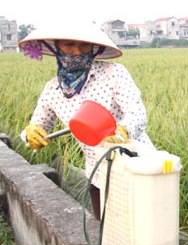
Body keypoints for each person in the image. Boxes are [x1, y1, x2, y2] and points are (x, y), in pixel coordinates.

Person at [18, 21, 155, 219]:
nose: (76, 52)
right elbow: (39, 124)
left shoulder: (113, 74)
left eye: (84, 46)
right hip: (99, 175)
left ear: (93, 48)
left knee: (144, 232)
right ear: (56, 47)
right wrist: (30, 133)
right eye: (68, 45)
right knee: (108, 237)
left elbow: (137, 113)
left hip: (138, 167)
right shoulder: (52, 90)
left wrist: (122, 132)